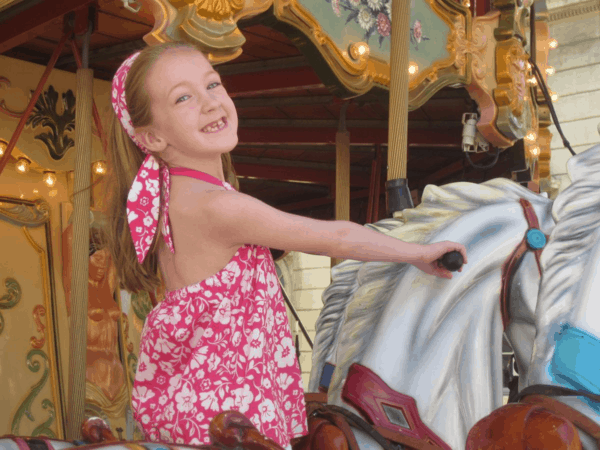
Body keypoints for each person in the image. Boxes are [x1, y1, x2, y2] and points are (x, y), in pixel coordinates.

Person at [104, 42, 467, 449]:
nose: (210, 103)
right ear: (151, 136)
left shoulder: (172, 198)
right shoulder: (217, 207)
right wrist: (415, 253)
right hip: (230, 410)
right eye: (183, 97)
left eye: (213, 85)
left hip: (197, 405)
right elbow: (333, 237)